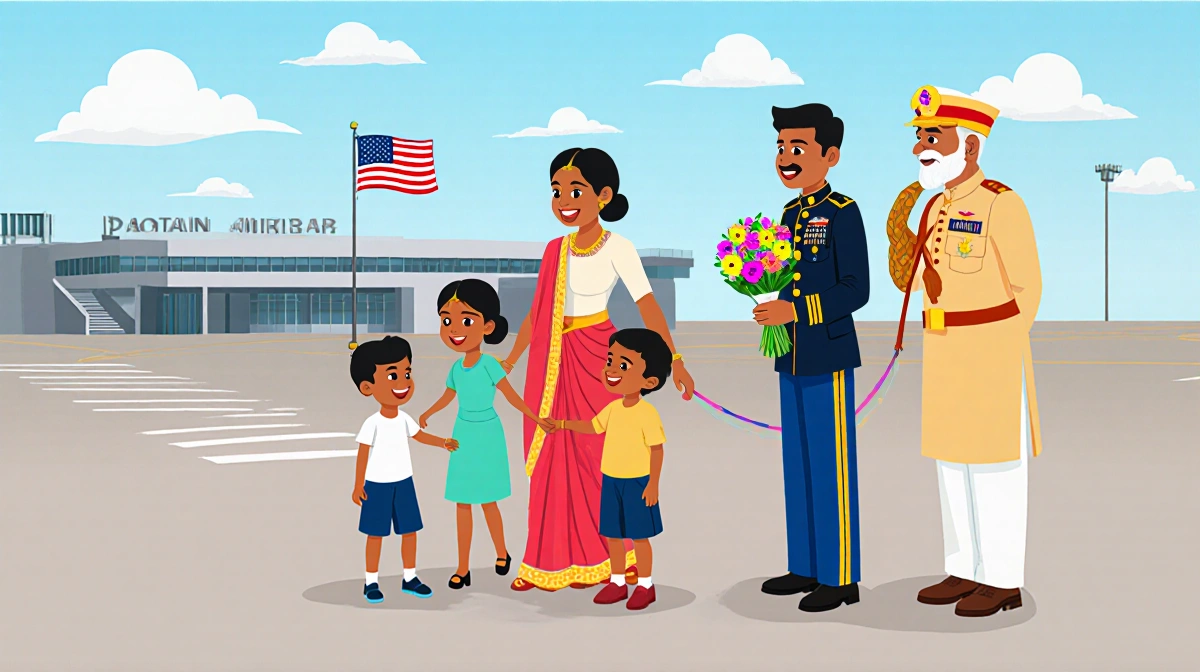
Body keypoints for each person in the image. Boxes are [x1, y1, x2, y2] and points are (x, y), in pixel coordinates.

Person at [500, 147, 695, 592]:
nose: (564, 199)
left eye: (576, 189)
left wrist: (676, 360)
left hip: (596, 359)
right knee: (551, 456)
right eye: (556, 191)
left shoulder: (618, 248)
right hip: (553, 360)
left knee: (597, 461)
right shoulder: (554, 249)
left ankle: (614, 560)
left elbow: (647, 305)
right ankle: (546, 562)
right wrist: (512, 360)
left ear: (604, 195)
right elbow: (539, 311)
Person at [886, 85, 1043, 618]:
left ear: (970, 147)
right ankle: (964, 567)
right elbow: (923, 281)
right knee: (953, 466)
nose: (920, 148)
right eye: (920, 137)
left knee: (995, 469)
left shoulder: (1003, 203)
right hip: (945, 353)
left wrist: (997, 356)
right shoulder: (933, 207)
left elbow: (1028, 292)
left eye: (933, 136)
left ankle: (1002, 580)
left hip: (991, 359)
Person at [751, 103, 870, 612]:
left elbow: (857, 289)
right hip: (793, 358)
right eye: (781, 147)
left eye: (797, 147)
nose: (785, 157)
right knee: (796, 464)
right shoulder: (789, 214)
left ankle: (841, 577)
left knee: (831, 466)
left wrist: (794, 310)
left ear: (830, 155)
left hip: (828, 355)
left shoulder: (843, 212)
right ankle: (804, 565)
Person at [418, 280, 554, 590]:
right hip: (462, 434)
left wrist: (536, 418)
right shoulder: (455, 367)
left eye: (466, 320)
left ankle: (502, 551)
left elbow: (512, 397)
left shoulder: (490, 365)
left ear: (488, 326)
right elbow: (448, 396)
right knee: (462, 503)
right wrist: (429, 412)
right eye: (446, 320)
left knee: (488, 501)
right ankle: (463, 567)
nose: (454, 328)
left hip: (488, 435)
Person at [548, 328, 672, 611]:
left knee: (639, 537)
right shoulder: (614, 408)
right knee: (614, 536)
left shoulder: (647, 414)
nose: (611, 370)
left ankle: (645, 585)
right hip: (612, 480)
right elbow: (593, 426)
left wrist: (653, 484)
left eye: (623, 365)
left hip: (638, 483)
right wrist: (563, 424)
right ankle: (617, 582)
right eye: (610, 360)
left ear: (649, 381)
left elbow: (657, 449)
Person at [349, 335, 458, 603]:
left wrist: (443, 442)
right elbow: (363, 452)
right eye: (392, 376)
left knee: (410, 531)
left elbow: (419, 436)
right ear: (367, 387)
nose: (403, 383)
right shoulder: (372, 423)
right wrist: (357, 484)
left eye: (406, 373)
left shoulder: (404, 418)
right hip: (376, 485)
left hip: (404, 483)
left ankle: (409, 577)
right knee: (376, 534)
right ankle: (371, 582)